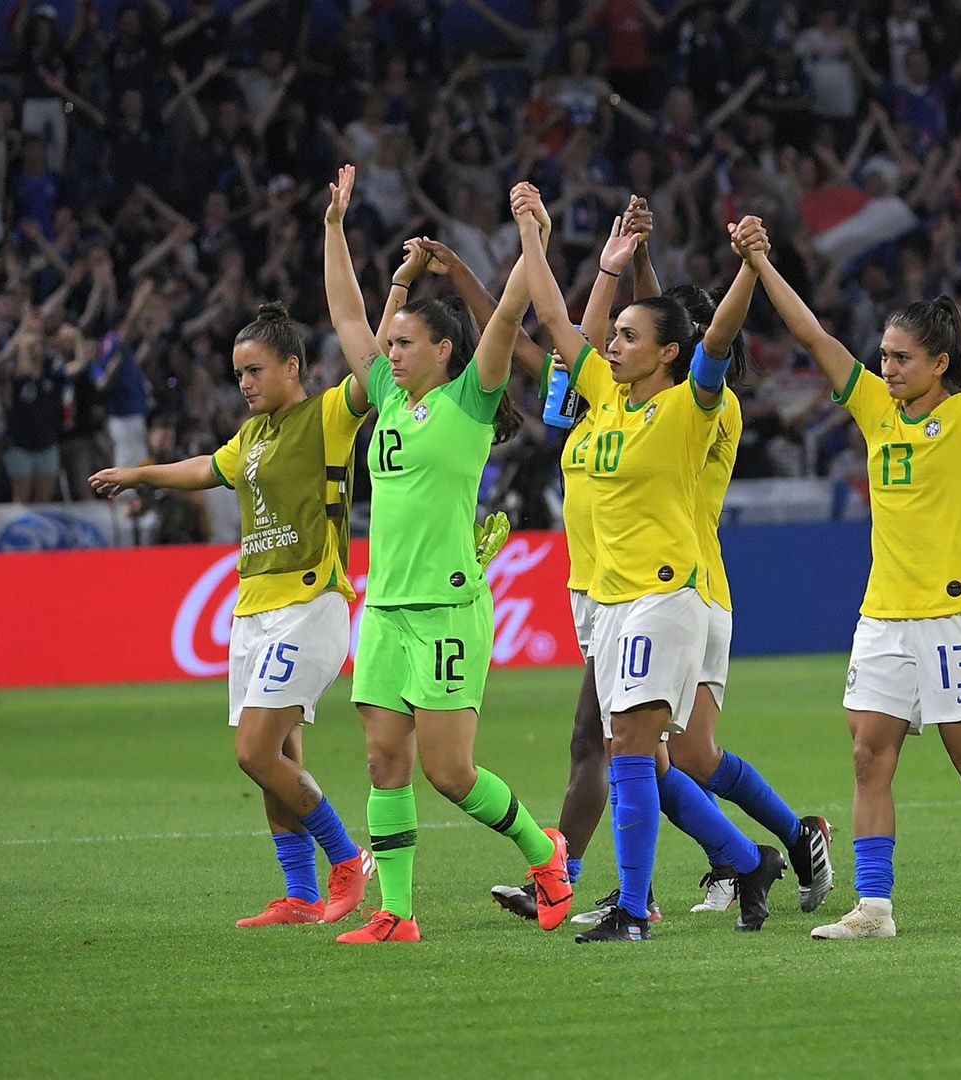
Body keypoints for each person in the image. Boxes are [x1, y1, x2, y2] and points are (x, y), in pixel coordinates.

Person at [737, 215, 961, 940]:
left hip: (953, 617)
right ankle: (875, 907)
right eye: (883, 356)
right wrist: (762, 265)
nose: (885, 367)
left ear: (940, 361)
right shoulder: (872, 411)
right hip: (884, 616)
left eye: (900, 358)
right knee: (868, 755)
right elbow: (814, 339)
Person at [516, 192, 787, 942]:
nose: (611, 344)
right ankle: (742, 858)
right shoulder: (604, 393)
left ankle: (632, 911)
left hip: (665, 595)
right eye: (613, 334)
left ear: (668, 352)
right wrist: (533, 236)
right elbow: (552, 321)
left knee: (634, 752)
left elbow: (719, 340)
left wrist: (748, 268)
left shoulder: (691, 406)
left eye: (630, 335)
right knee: (628, 752)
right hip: (606, 599)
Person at [322, 166, 571, 944]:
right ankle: (397, 912)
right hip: (387, 606)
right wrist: (334, 228)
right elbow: (345, 315)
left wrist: (533, 233)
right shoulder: (387, 400)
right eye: (388, 343)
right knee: (381, 762)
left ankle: (545, 852)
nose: (389, 351)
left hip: (448, 606)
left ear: (443, 349)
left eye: (404, 343)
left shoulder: (471, 400)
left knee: (449, 772)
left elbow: (511, 312)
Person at [87, 303, 374, 929]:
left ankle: (348, 859)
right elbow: (206, 469)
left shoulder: (327, 415)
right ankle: (300, 896)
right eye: (237, 372)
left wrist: (397, 284)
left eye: (254, 370)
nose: (242, 382)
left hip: (308, 604)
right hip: (254, 611)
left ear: (291, 366)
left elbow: (369, 362)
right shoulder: (253, 437)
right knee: (280, 757)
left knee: (255, 753)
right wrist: (140, 475)